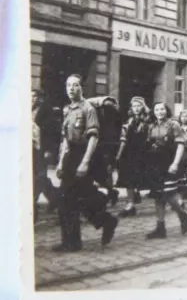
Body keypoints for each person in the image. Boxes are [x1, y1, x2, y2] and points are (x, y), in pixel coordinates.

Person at [54, 74, 118, 252]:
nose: (71, 89)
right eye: (68, 85)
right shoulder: (67, 110)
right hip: (70, 156)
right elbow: (65, 140)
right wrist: (60, 163)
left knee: (68, 198)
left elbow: (93, 138)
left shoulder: (88, 109)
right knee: (75, 198)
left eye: (75, 85)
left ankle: (73, 241)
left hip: (85, 155)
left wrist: (85, 162)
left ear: (82, 87)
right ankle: (105, 221)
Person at [144, 102, 187, 239]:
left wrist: (175, 163)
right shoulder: (151, 126)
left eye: (162, 109)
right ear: (154, 112)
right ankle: (160, 228)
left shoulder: (173, 125)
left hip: (169, 163)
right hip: (155, 165)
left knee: (169, 194)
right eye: (157, 109)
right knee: (158, 196)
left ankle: (182, 214)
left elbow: (181, 145)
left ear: (167, 110)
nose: (159, 111)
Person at [116, 96, 150, 217]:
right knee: (128, 179)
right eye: (134, 106)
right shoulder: (129, 121)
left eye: (138, 106)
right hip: (129, 153)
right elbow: (124, 137)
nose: (136, 108)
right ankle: (130, 204)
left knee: (141, 177)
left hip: (142, 152)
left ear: (143, 106)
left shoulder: (147, 120)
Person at [31, 90, 60, 223]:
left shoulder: (46, 111)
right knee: (39, 178)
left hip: (40, 149)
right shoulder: (25, 108)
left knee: (38, 178)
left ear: (40, 98)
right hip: (28, 148)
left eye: (34, 96)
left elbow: (53, 133)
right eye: (30, 96)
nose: (31, 99)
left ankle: (33, 208)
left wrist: (49, 150)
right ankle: (56, 199)